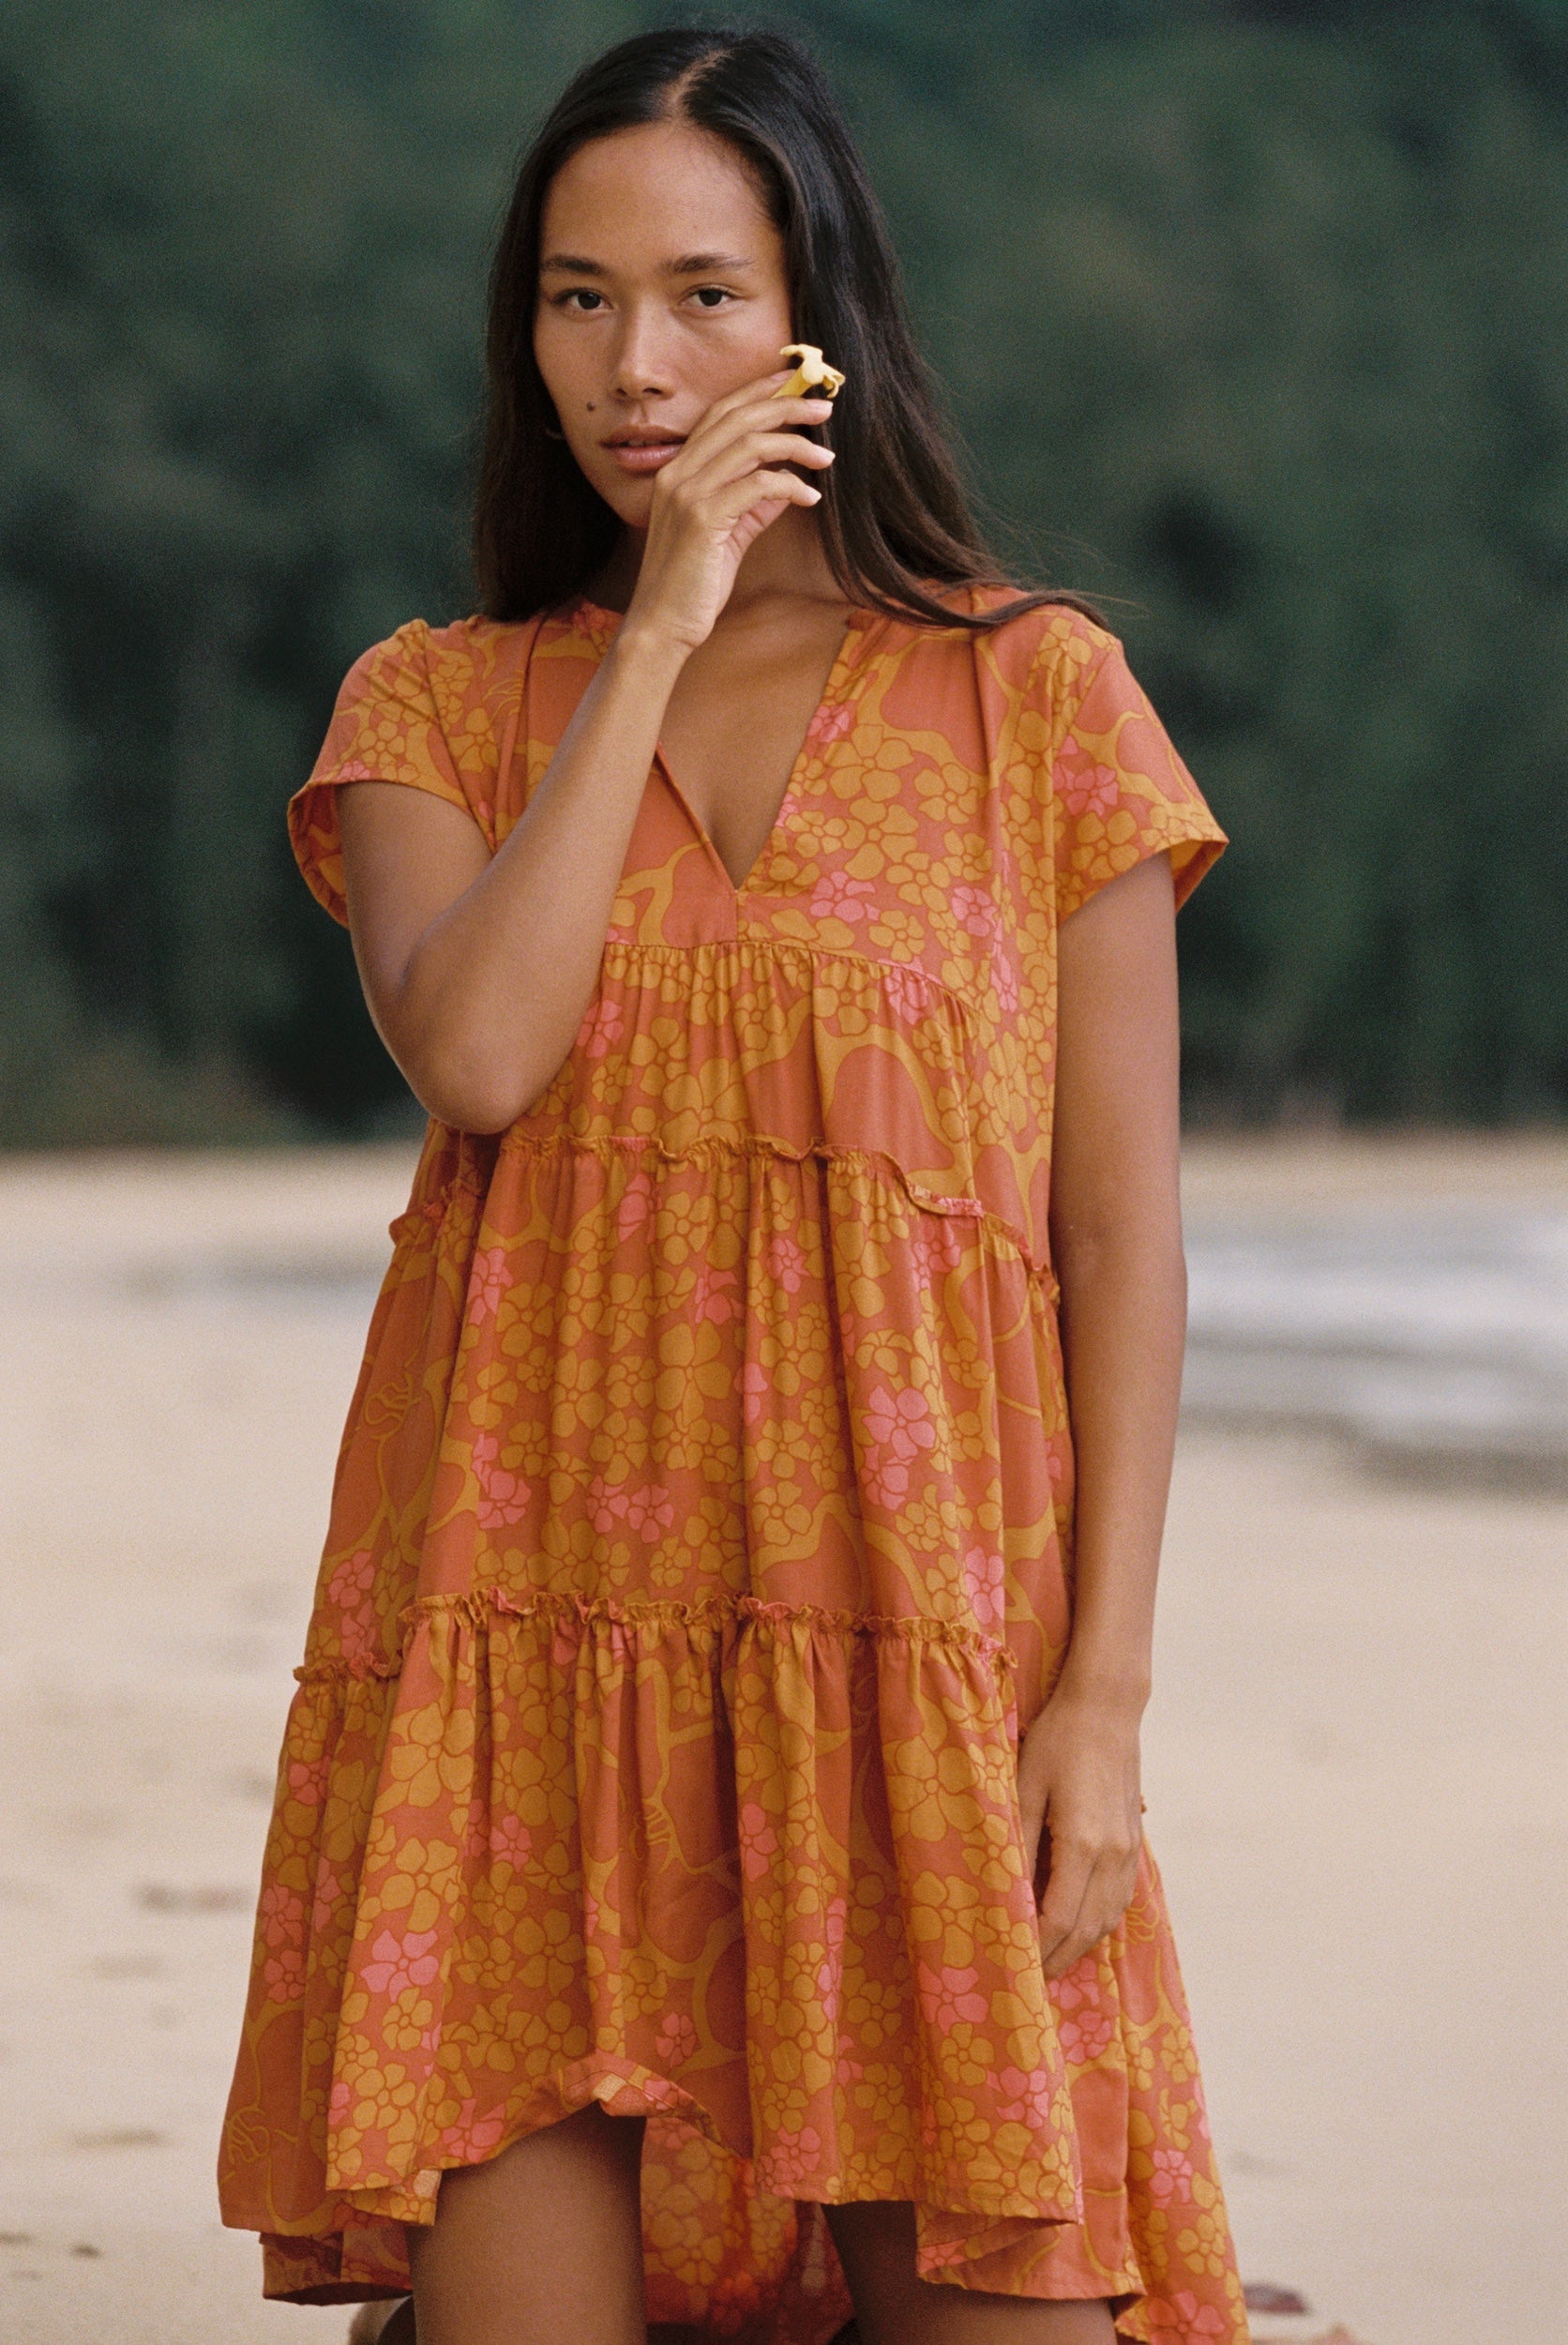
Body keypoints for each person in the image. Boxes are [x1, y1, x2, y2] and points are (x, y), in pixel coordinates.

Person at [219, 25, 1247, 2345]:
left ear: (818, 316)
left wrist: (1100, 1691)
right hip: (532, 1667)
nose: (632, 361)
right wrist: (659, 622)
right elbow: (479, 1049)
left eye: (697, 291)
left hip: (909, 1660)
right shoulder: (437, 704)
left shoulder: (1036, 698)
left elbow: (1115, 1236)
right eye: (573, 298)